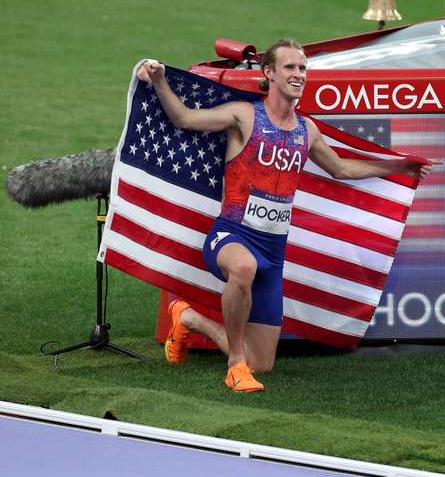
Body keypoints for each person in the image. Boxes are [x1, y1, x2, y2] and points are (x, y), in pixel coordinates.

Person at [136, 39, 430, 393]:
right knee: (243, 269)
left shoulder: (307, 131)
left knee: (263, 362)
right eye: (290, 67)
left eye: (302, 68)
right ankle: (234, 368)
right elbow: (183, 118)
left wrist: (398, 165)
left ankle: (187, 318)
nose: (298, 74)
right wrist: (160, 79)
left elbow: (341, 169)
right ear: (269, 73)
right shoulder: (244, 115)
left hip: (272, 252)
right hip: (230, 236)